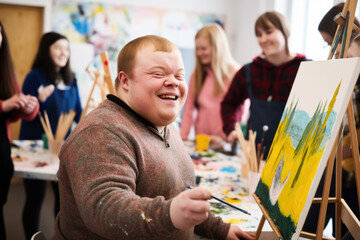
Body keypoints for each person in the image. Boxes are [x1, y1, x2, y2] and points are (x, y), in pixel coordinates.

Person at [53, 35, 254, 240]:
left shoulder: (163, 126)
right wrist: (169, 214)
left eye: (179, 75)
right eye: (158, 74)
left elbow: (175, 195)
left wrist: (218, 228)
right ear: (125, 81)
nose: (173, 82)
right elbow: (105, 210)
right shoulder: (101, 132)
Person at [303, 4, 360, 239]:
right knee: (309, 226)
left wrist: (337, 150)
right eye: (329, 46)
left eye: (335, 45)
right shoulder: (342, 75)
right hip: (336, 175)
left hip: (351, 180)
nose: (334, 53)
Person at [19, 32, 82, 240]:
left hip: (62, 148)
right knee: (35, 199)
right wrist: (41, 99)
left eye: (66, 48)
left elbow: (78, 111)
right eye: (58, 47)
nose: (63, 52)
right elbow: (27, 113)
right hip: (36, 146)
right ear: (47, 49)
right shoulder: (34, 77)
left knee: (64, 199)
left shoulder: (72, 78)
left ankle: (59, 236)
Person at [221, 11, 309, 159]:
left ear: (285, 31)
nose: (263, 39)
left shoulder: (307, 68)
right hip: (254, 158)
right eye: (259, 34)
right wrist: (231, 129)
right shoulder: (249, 70)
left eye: (269, 32)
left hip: (293, 159)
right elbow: (229, 103)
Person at [0, 21, 39, 240]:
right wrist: (3, 105)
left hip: (2, 151)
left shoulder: (5, 68)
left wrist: (27, 109)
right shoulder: (36, 75)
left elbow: (13, 113)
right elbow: (4, 107)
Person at [180, 23, 241, 148]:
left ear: (217, 47)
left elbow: (239, 111)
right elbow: (189, 109)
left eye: (204, 48)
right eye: (197, 49)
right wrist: (182, 139)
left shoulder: (235, 73)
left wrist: (227, 136)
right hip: (202, 142)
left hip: (226, 143)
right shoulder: (196, 75)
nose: (199, 53)